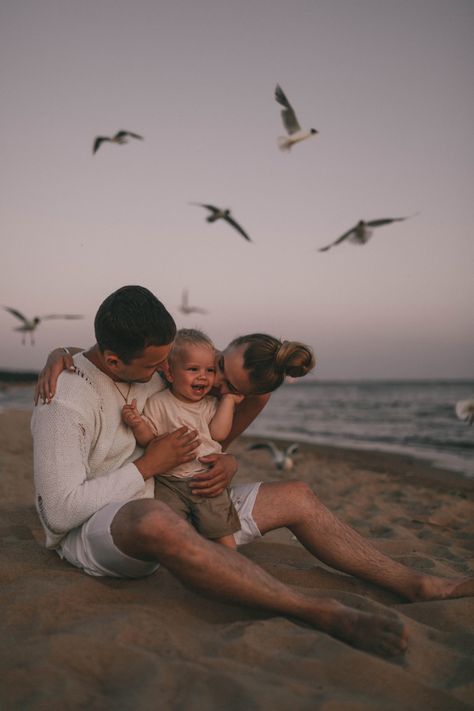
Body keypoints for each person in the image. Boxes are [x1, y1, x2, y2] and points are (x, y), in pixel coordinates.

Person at [33, 285, 474, 659]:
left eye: (167, 363)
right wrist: (148, 465)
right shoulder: (66, 400)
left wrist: (227, 461)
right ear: (114, 361)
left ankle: (416, 583)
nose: (163, 374)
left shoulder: (149, 368)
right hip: (103, 529)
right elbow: (58, 513)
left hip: (175, 493)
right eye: (155, 366)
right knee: (153, 517)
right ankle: (313, 610)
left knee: (298, 493)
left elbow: (211, 429)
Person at [122, 328, 243, 549]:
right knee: (170, 526)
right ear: (170, 373)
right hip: (169, 481)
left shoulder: (209, 405)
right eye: (193, 369)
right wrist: (138, 423)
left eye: (209, 370)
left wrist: (228, 400)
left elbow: (219, 433)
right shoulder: (158, 402)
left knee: (222, 531)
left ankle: (231, 560)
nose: (203, 377)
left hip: (204, 478)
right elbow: (149, 440)